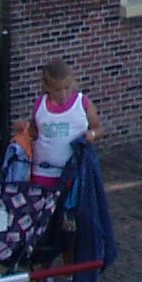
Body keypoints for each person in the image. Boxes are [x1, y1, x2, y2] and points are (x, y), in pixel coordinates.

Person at [26, 60, 104, 190]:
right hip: (43, 171)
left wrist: (93, 134)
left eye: (67, 88)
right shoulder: (40, 104)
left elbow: (99, 128)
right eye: (57, 90)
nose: (63, 94)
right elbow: (33, 132)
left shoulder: (82, 103)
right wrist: (24, 128)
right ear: (47, 87)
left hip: (74, 172)